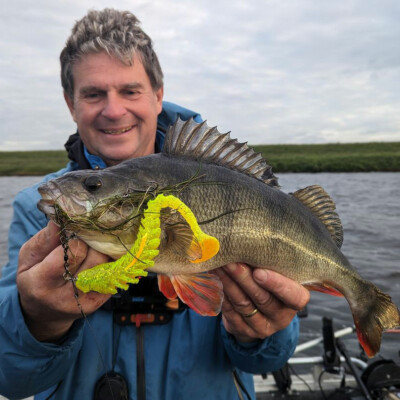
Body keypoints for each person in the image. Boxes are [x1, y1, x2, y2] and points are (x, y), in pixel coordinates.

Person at [0, 8, 309, 400]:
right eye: (94, 94)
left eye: (130, 91)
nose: (114, 110)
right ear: (70, 102)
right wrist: (38, 321)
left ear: (158, 95)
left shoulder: (222, 178)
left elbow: (266, 360)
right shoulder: (38, 208)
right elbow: (10, 379)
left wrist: (264, 332)